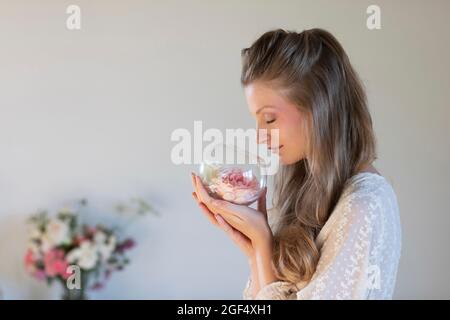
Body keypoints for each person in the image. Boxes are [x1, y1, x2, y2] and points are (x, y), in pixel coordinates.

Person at [191, 28, 401, 299]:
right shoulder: (311, 195)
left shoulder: (364, 206)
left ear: (317, 107)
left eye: (269, 119)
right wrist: (255, 251)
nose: (258, 136)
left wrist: (264, 245)